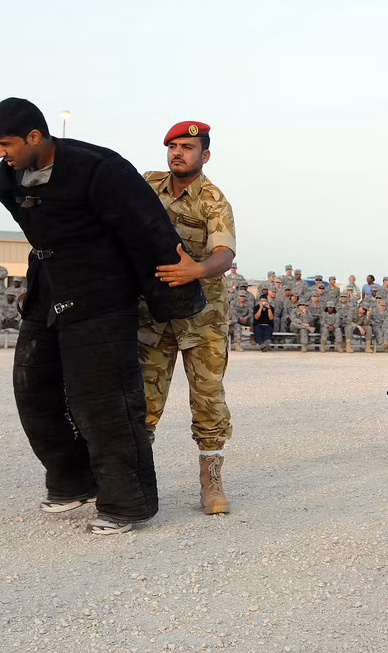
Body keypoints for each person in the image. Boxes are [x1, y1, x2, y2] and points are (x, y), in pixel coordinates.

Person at [0, 97, 205, 535]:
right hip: (48, 288)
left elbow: (146, 228)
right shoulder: (5, 179)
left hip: (101, 293)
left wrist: (174, 298)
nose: (0, 153)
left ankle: (128, 503)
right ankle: (73, 481)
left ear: (35, 136)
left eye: (6, 143)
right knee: (32, 387)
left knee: (105, 400)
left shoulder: (99, 169)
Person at [139, 121, 238, 514]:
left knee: (208, 398)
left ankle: (211, 483)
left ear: (205, 155)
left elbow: (224, 254)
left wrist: (197, 269)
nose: (177, 152)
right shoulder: (147, 185)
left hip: (203, 316)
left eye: (187, 147)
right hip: (153, 312)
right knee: (142, 399)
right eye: (173, 146)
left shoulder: (213, 200)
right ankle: (134, 480)